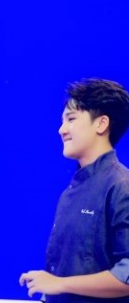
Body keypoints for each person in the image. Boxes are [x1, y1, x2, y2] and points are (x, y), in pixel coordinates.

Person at [20, 78, 129, 303]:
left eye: (71, 119)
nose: (62, 130)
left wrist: (59, 284)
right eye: (62, 121)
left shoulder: (121, 186)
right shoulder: (70, 192)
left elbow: (126, 273)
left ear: (101, 124)